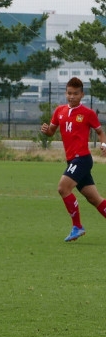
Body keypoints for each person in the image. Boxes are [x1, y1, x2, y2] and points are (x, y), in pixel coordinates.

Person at [41, 77, 106, 242]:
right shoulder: (59, 111)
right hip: (72, 161)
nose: (72, 97)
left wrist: (104, 144)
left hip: (82, 159)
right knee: (94, 199)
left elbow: (100, 131)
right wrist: (46, 130)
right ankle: (78, 227)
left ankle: (77, 226)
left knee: (63, 188)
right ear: (66, 93)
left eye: (75, 94)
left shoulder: (88, 113)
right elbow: (51, 132)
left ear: (82, 95)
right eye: (69, 93)